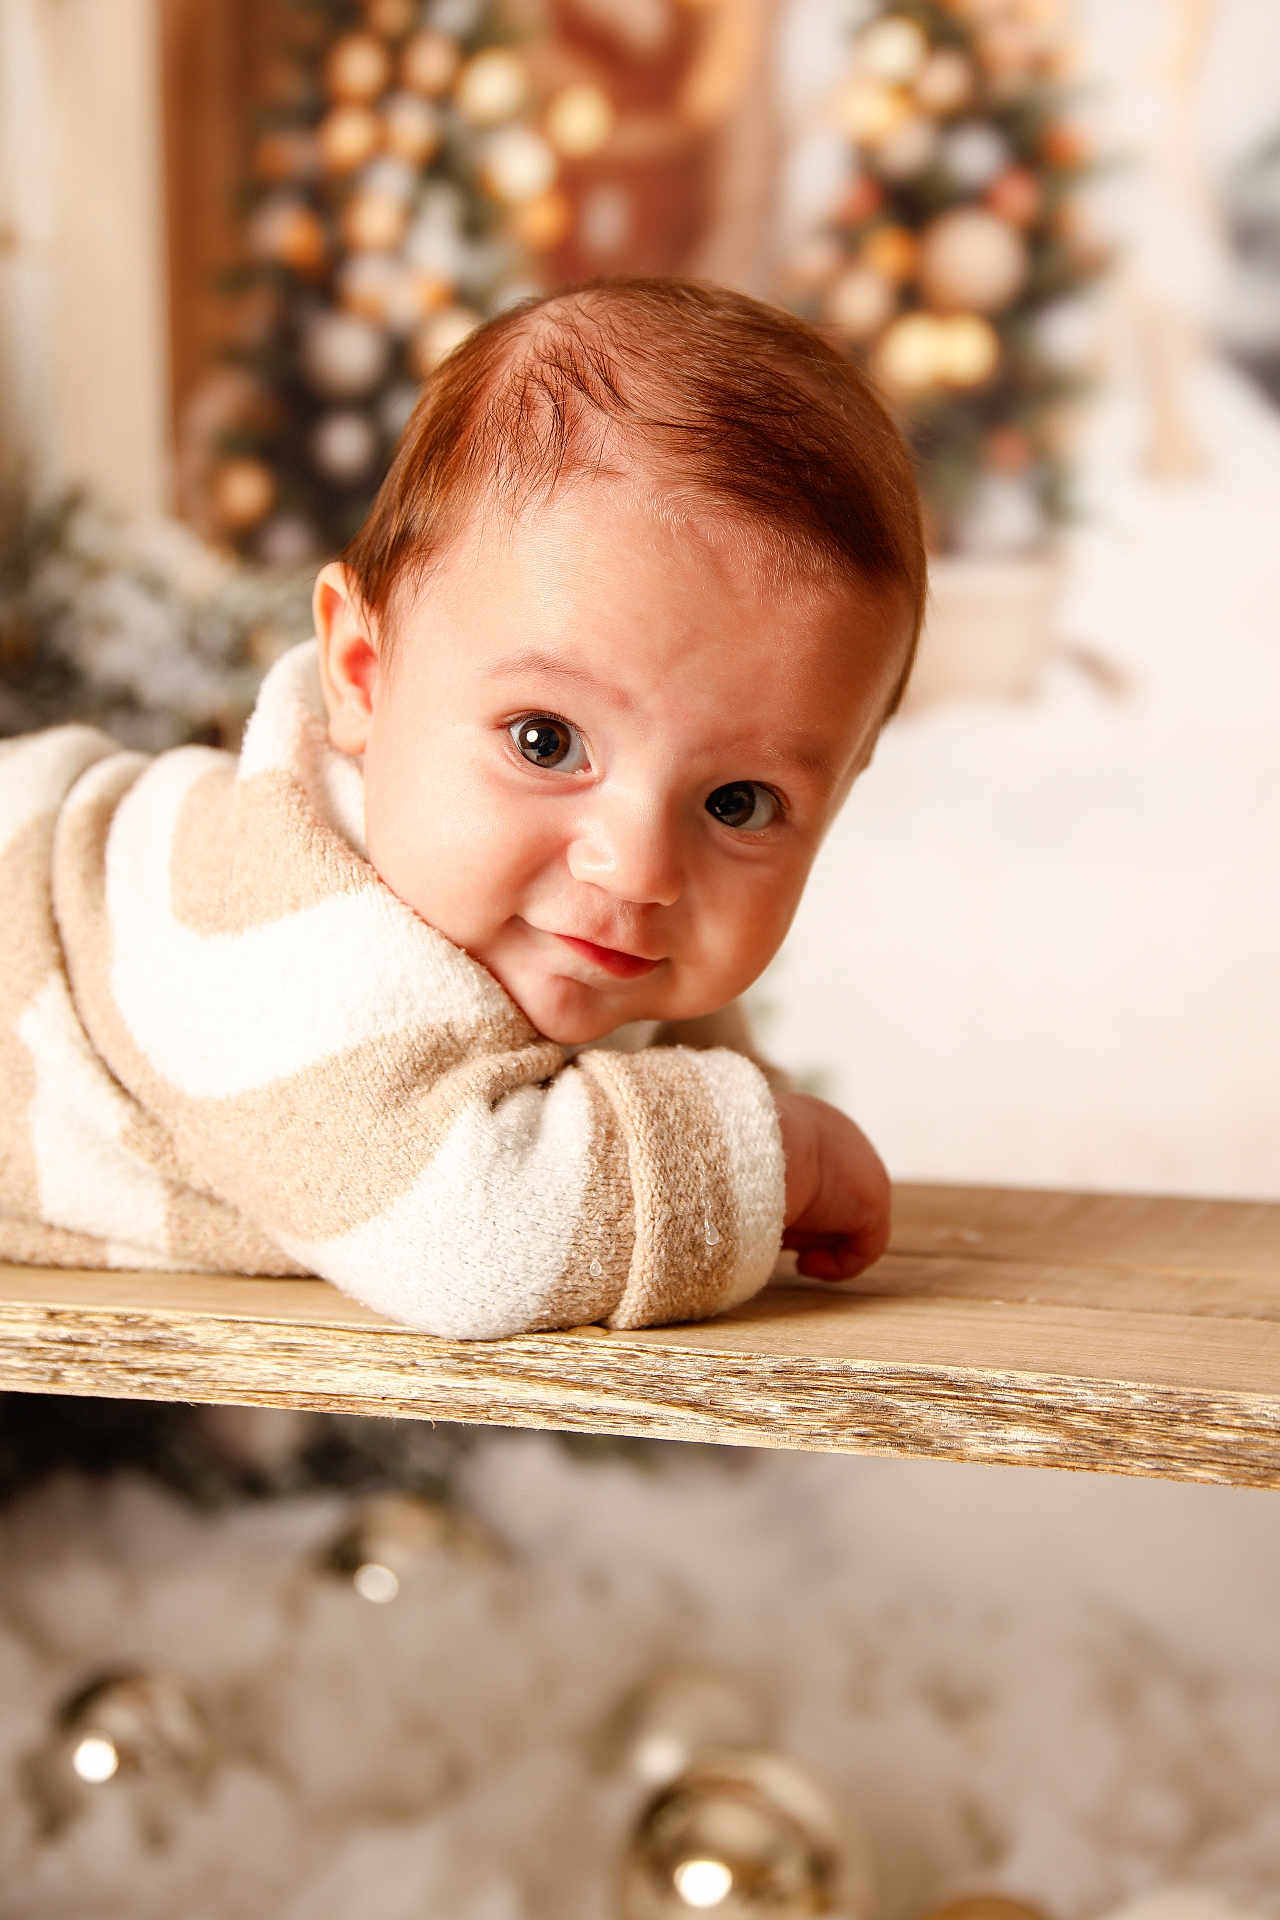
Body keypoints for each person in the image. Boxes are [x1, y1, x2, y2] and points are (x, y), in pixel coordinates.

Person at [0, 277, 926, 1340]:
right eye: (546, 742)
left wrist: (742, 1109)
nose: (634, 868)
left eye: (737, 801)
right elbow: (476, 1240)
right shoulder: (291, 937)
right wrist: (779, 1158)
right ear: (361, 673)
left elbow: (677, 1065)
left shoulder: (583, 921)